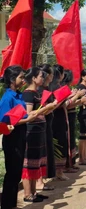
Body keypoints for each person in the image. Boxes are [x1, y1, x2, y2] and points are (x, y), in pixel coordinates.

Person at [0, 66, 37, 209]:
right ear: (11, 79)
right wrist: (27, 120)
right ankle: (7, 205)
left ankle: (12, 204)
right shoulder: (7, 97)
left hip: (21, 134)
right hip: (12, 136)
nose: (23, 80)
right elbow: (4, 121)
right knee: (12, 173)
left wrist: (30, 116)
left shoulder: (19, 95)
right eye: (21, 77)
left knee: (16, 174)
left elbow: (22, 114)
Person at [22, 67, 57, 202]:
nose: (43, 79)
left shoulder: (36, 93)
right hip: (32, 130)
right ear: (33, 78)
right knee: (29, 161)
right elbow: (29, 113)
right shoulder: (28, 94)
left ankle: (34, 192)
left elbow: (41, 111)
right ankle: (27, 194)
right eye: (41, 76)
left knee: (37, 161)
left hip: (40, 129)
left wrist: (51, 107)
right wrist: (46, 107)